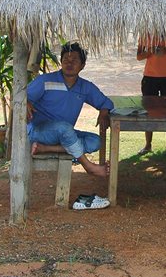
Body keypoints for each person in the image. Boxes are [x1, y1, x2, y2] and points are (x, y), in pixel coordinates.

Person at [27, 42, 113, 177]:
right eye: (66, 60)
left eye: (75, 60)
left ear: (82, 65)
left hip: (64, 136)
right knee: (64, 128)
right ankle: (88, 166)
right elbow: (20, 98)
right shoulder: (45, 81)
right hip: (38, 132)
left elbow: (106, 102)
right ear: (61, 62)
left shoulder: (85, 87)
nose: (69, 63)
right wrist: (26, 101)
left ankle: (45, 149)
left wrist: (104, 112)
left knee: (96, 141)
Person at [136, 35, 166, 155]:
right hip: (149, 77)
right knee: (149, 111)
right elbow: (139, 56)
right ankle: (148, 145)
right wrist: (150, 51)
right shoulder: (145, 34)